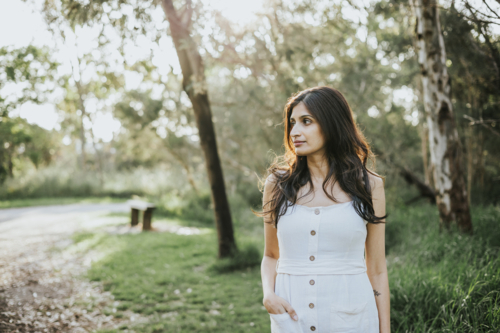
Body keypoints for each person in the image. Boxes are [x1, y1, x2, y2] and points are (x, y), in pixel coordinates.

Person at [257, 86, 391, 333]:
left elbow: (377, 270)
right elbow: (271, 255)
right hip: (291, 318)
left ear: (331, 124)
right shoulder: (276, 185)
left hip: (354, 319)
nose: (295, 131)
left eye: (306, 121)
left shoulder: (370, 185)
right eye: (292, 123)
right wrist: (268, 295)